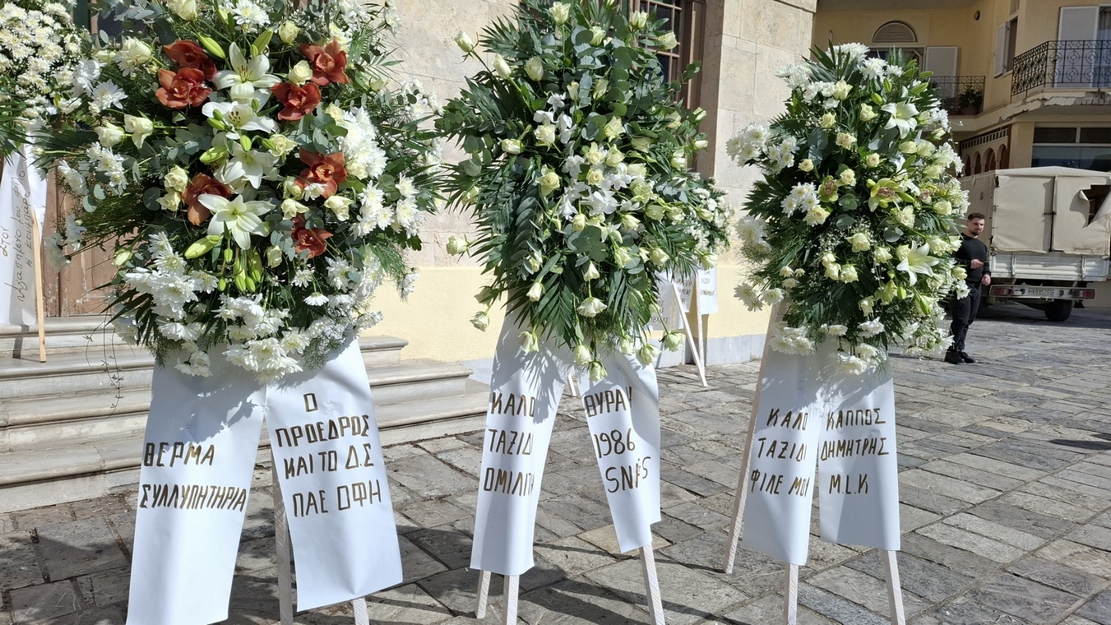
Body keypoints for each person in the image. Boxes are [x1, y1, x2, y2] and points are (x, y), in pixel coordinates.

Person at [946, 213, 991, 364]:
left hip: (976, 287)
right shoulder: (958, 241)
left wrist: (986, 274)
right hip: (961, 285)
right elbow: (949, 260)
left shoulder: (982, 246)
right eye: (976, 224)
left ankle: (959, 349)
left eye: (981, 224)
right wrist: (968, 264)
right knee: (960, 319)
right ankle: (951, 352)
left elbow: (986, 264)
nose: (979, 227)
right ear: (968, 223)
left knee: (968, 320)